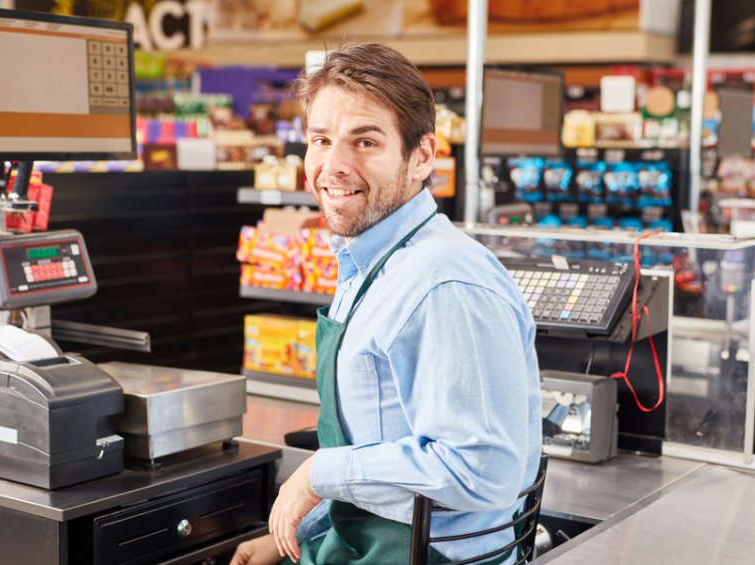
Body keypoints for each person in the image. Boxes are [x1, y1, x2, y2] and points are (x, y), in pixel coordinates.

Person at [232, 43, 541, 565]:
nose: (333, 166)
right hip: (366, 541)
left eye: (365, 142)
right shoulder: (371, 259)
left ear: (422, 156)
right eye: (321, 140)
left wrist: (316, 475)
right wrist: (299, 537)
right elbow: (383, 444)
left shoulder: (442, 282)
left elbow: (486, 468)